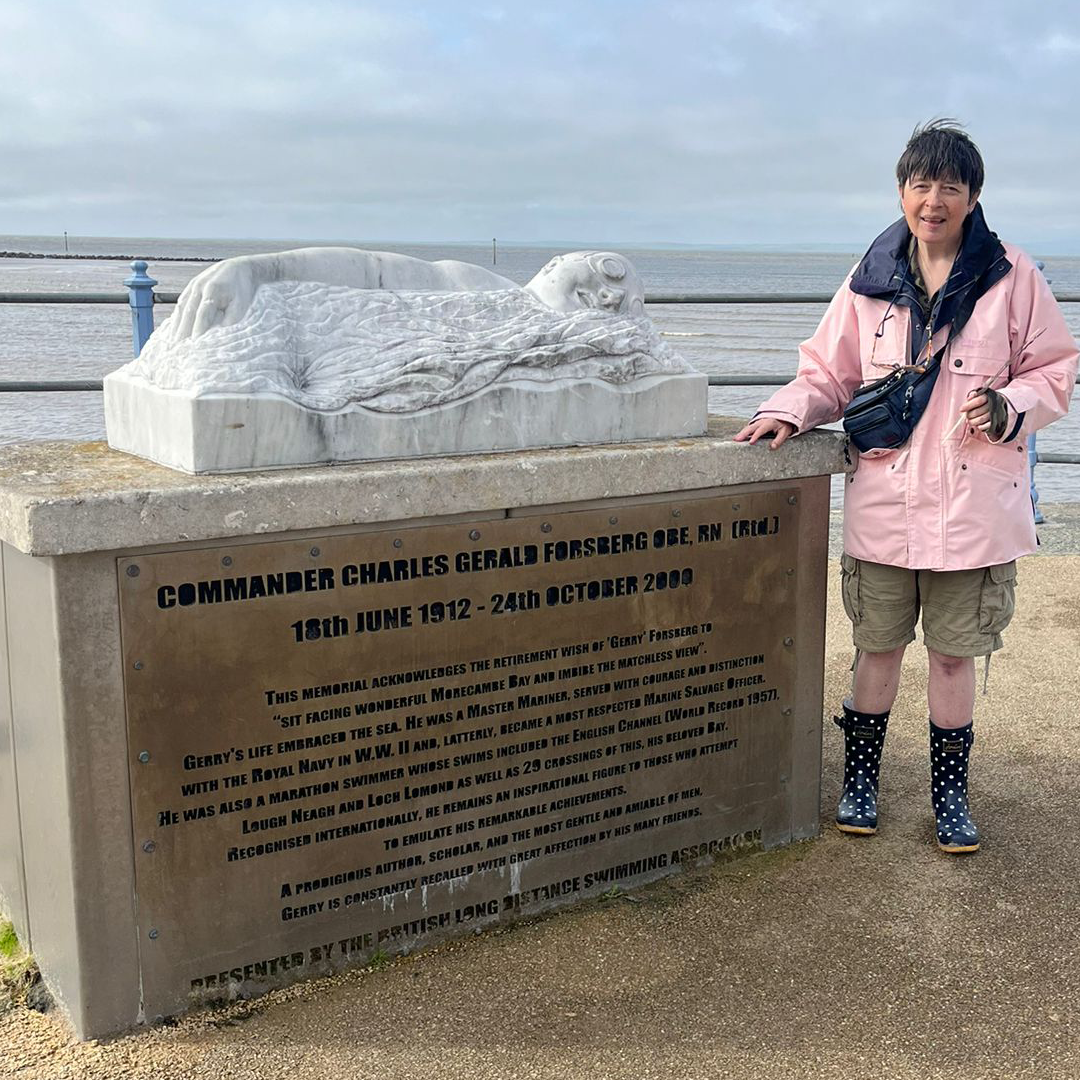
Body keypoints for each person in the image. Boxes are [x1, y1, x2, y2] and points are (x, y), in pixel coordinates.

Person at [734, 120, 1077, 853]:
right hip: (886, 504)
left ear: (973, 195)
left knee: (954, 656)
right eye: (921, 184)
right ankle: (862, 783)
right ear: (901, 191)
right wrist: (785, 412)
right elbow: (828, 372)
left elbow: (1054, 370)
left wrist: (1011, 405)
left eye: (950, 185)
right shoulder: (869, 281)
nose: (934, 199)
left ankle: (949, 798)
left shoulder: (1014, 278)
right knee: (877, 648)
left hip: (975, 507)